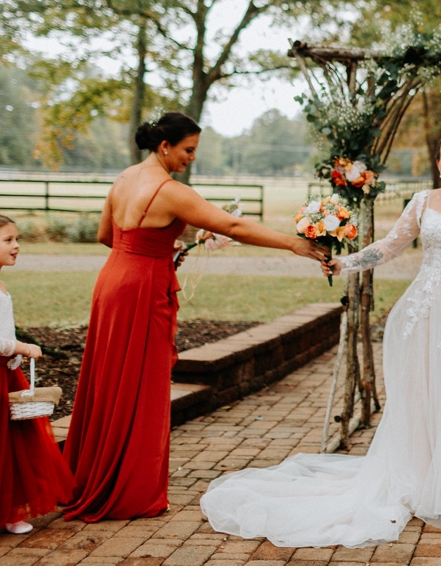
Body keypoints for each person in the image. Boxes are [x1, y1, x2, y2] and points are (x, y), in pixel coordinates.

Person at [200, 98, 441, 548]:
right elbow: (388, 247)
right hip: (428, 312)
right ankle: (425, 478)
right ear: (438, 163)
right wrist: (344, 264)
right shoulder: (422, 201)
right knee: (428, 393)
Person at [62, 112, 328, 523]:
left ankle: (92, 473)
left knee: (108, 379)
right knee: (142, 385)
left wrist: (153, 252)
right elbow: (233, 225)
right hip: (141, 290)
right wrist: (293, 245)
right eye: (188, 150)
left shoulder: (124, 178)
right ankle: (127, 491)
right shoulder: (168, 190)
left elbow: (106, 237)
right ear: (165, 146)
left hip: (112, 281)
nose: (191, 158)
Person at [0, 215, 75, 545]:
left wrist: (15, 356)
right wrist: (23, 346)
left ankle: (9, 510)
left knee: (11, 445)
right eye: (8, 240)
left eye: (17, 238)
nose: (16, 245)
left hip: (4, 373)